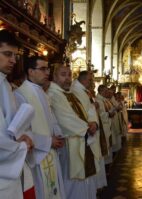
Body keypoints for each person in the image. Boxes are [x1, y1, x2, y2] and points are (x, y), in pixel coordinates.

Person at [15, 56, 66, 199]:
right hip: (37, 156)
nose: (47, 72)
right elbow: (21, 132)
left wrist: (58, 134)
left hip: (50, 153)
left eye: (48, 68)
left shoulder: (42, 92)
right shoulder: (20, 94)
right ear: (30, 71)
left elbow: (51, 119)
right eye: (43, 69)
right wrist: (49, 141)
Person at [48, 65, 100, 199]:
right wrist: (87, 128)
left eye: (69, 75)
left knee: (83, 183)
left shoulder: (70, 93)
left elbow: (88, 109)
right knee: (72, 184)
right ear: (54, 77)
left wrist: (93, 122)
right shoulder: (53, 94)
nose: (67, 78)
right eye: (63, 74)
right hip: (69, 146)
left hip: (82, 141)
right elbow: (64, 119)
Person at [0, 29, 34, 199]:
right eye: (7, 54)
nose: (13, 60)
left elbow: (11, 124)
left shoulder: (5, 84)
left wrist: (23, 135)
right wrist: (19, 146)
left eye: (15, 55)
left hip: (10, 166)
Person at [71, 71, 107, 190]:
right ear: (84, 80)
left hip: (91, 129)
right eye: (90, 80)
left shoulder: (85, 92)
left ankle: (94, 188)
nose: (92, 82)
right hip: (85, 132)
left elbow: (88, 108)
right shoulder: (76, 91)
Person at [96, 85, 114, 164]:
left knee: (107, 145)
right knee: (104, 145)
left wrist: (112, 111)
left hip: (107, 125)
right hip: (103, 126)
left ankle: (108, 163)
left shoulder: (104, 100)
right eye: (106, 91)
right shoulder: (99, 101)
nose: (107, 93)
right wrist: (109, 114)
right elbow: (100, 114)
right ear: (101, 91)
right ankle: (106, 164)